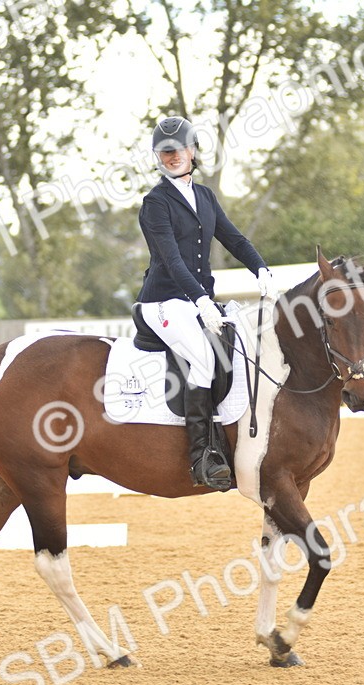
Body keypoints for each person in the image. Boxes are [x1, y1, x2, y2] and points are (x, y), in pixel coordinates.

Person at [136, 116, 273, 491]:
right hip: (164, 301)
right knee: (202, 356)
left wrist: (260, 268)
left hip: (196, 299)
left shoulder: (206, 197)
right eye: (165, 153)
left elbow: (233, 238)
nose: (173, 157)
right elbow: (171, 260)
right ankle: (201, 455)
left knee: (238, 348)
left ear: (192, 151)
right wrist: (200, 299)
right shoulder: (155, 203)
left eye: (179, 150)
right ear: (158, 158)